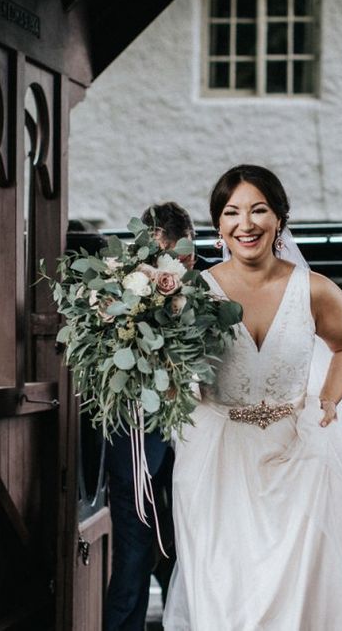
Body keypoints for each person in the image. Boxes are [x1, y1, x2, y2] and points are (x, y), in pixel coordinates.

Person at [163, 165, 342, 630]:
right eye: (232, 212)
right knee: (226, 592)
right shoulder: (193, 295)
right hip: (218, 462)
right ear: (218, 226)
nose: (247, 223)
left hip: (298, 455)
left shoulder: (314, 289)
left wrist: (328, 398)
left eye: (259, 210)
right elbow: (176, 372)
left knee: (302, 591)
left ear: (279, 219)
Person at [105, 201, 197, 631]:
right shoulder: (120, 290)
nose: (175, 268)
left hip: (202, 440)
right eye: (165, 257)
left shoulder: (213, 286)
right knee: (134, 551)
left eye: (182, 257)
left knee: (195, 544)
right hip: (139, 438)